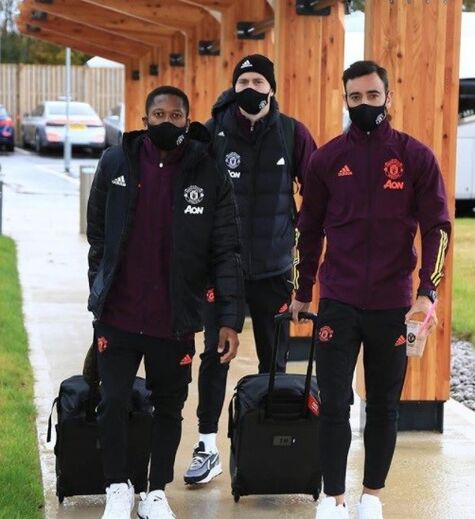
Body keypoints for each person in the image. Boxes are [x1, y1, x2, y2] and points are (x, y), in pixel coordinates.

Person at [290, 60, 451, 519]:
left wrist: (427, 291)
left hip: (392, 304)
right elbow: (308, 230)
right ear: (346, 100)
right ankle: (333, 498)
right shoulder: (326, 160)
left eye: (373, 96)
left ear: (388, 98)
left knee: (382, 406)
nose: (364, 104)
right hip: (338, 301)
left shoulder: (415, 157)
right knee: (333, 403)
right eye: (356, 97)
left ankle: (371, 498)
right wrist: (303, 290)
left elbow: (438, 227)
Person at [87, 85, 245, 519]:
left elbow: (226, 251)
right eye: (159, 115)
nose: (167, 122)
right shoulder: (115, 162)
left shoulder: (209, 172)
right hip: (118, 315)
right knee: (113, 402)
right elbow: (98, 234)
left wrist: (229, 318)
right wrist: (98, 287)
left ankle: (154, 492)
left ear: (188, 121)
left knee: (169, 409)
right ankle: (117, 487)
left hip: (174, 319)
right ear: (145, 120)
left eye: (176, 116)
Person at [184, 54, 317, 485]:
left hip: (273, 271)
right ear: (234, 88)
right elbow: (190, 193)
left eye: (259, 81)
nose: (251, 89)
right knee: (215, 356)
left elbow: (318, 193)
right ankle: (206, 446)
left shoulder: (292, 133)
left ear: (271, 88)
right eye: (243, 82)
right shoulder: (212, 133)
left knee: (273, 361)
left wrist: (299, 241)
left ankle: (265, 444)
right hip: (223, 272)